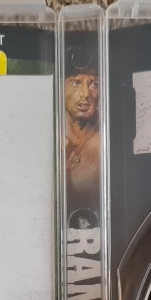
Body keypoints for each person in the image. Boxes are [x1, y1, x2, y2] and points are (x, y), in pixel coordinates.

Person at [63, 47, 100, 212]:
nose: (85, 94)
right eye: (76, 83)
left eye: (94, 84)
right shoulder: (51, 138)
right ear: (61, 88)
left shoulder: (103, 145)